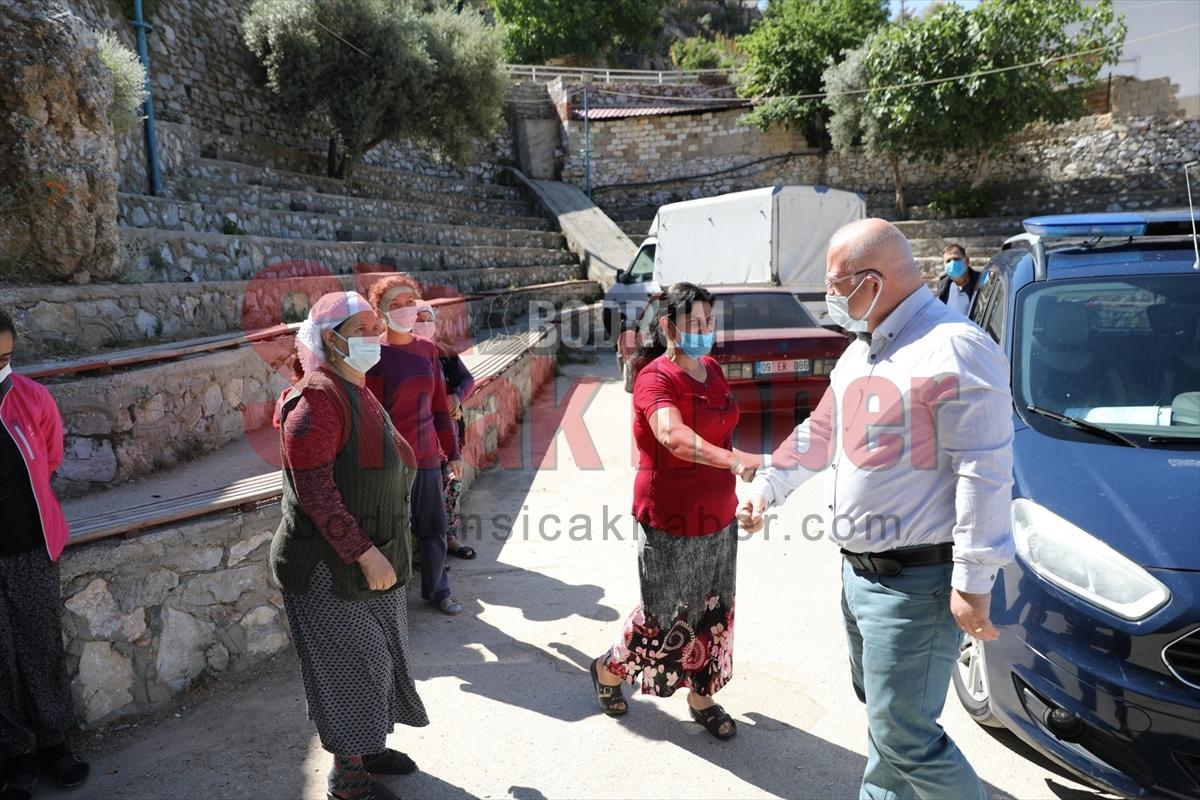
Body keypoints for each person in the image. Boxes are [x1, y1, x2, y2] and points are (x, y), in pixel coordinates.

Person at [738, 219, 1014, 799]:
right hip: (858, 575)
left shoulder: (953, 347)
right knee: (885, 722)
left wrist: (972, 581)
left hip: (914, 581)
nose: (830, 298)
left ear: (872, 281)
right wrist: (769, 486)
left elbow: (982, 469)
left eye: (836, 286)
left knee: (905, 735)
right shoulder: (862, 352)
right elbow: (822, 431)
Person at [272, 292, 428, 800]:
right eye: (360, 328)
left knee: (381, 656)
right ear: (330, 339)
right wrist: (364, 552)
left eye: (375, 326)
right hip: (329, 566)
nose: (374, 337)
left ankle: (368, 746)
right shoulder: (315, 402)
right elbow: (315, 492)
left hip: (375, 555)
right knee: (352, 663)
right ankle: (348, 773)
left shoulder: (355, 387)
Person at [589, 282, 760, 741]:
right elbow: (675, 438)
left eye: (709, 323)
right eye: (695, 324)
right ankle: (608, 669)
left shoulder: (711, 370)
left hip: (718, 515)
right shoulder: (655, 379)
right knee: (663, 615)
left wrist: (741, 486)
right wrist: (734, 461)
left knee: (715, 610)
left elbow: (722, 436)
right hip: (670, 519)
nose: (705, 332)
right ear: (668, 327)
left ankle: (701, 696)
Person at [0, 309, 89, 800]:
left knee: (40, 648)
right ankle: (15, 756)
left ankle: (55, 744)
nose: (1, 367)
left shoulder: (32, 399)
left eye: (7, 357)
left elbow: (49, 458)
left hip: (32, 546)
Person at [366, 278, 464, 615]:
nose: (405, 309)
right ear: (380, 311)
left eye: (410, 301)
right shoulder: (372, 354)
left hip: (424, 456)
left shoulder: (427, 350)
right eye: (395, 303)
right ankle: (389, 599)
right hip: (386, 460)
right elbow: (367, 414)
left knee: (433, 527)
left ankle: (438, 590)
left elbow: (439, 406)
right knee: (389, 529)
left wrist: (452, 453)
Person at [413, 301, 476, 561]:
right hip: (419, 439)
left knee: (451, 487)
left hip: (447, 435)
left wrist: (456, 398)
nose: (423, 323)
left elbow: (467, 379)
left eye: (428, 318)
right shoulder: (394, 354)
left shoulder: (443, 352)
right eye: (417, 318)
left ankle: (449, 538)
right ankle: (422, 550)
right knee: (421, 494)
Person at [936, 243, 980, 316]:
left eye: (956, 259)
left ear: (967, 261)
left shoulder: (981, 283)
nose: (952, 263)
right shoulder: (943, 286)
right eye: (948, 261)